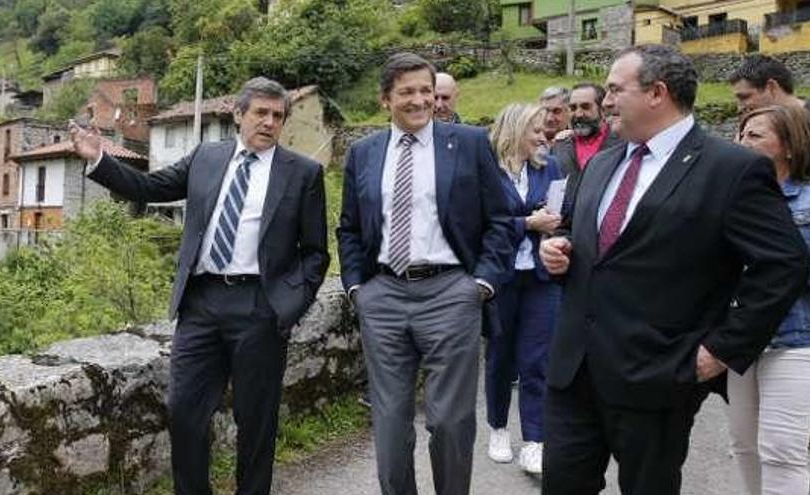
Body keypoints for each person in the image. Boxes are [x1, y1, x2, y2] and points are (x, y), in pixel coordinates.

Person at [538, 44, 810, 495]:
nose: (604, 101)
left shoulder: (731, 168)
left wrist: (722, 349)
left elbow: (785, 264)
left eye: (614, 89)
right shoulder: (603, 163)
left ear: (656, 93)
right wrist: (560, 250)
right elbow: (588, 241)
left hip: (657, 376)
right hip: (574, 370)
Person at [70, 76, 329, 495]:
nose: (268, 123)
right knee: (185, 413)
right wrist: (99, 159)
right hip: (202, 303)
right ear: (238, 115)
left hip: (260, 307)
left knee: (257, 423)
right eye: (260, 113)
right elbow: (149, 187)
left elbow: (316, 252)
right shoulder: (207, 157)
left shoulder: (303, 173)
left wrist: (289, 304)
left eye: (277, 116)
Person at [337, 52, 512, 495]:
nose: (420, 101)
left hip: (452, 293)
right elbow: (350, 227)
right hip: (384, 296)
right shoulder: (363, 152)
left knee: (451, 422)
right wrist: (358, 287)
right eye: (407, 92)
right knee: (390, 424)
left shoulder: (470, 142)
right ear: (385, 99)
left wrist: (483, 282)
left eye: (425, 91)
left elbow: (503, 218)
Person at [730, 53, 810, 488]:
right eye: (740, 133)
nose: (741, 141)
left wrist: (786, 271)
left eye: (754, 135)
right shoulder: (735, 199)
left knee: (780, 451)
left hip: (805, 339)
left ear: (790, 144)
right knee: (744, 446)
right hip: (745, 336)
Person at [484, 103, 564, 474]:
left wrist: (555, 226)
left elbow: (564, 215)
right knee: (501, 357)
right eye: (535, 130)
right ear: (514, 130)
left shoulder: (551, 168)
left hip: (541, 278)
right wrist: (527, 223)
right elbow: (482, 223)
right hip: (501, 278)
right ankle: (498, 427)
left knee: (536, 360)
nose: (543, 137)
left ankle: (535, 440)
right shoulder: (487, 171)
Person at [552, 82, 622, 178]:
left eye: (585, 107)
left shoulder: (622, 143)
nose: (578, 114)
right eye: (573, 108)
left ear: (602, 110)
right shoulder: (560, 145)